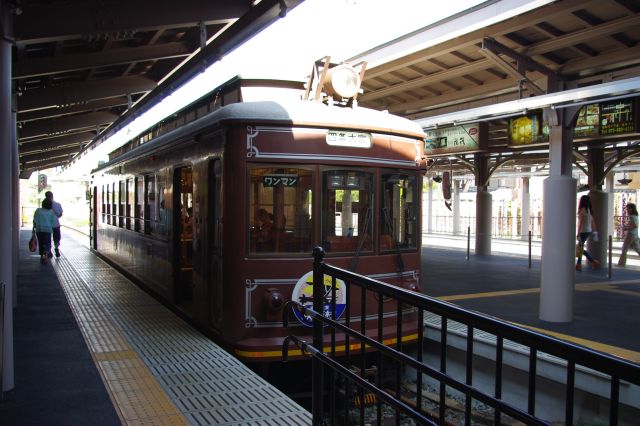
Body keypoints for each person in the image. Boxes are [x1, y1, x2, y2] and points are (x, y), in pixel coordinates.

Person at [575, 194, 600, 271]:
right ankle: (579, 264)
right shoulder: (589, 210)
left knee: (580, 248)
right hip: (588, 230)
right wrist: (594, 230)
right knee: (580, 247)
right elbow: (592, 222)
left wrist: (578, 232)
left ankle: (593, 261)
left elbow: (581, 222)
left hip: (583, 231)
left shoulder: (582, 210)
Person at [33, 198, 57, 264]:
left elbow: (35, 220)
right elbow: (53, 222)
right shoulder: (51, 212)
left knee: (41, 243)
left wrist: (33, 229)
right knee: (47, 243)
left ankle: (42, 256)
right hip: (47, 230)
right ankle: (46, 255)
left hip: (39, 230)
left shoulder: (38, 211)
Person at [617, 202, 640, 267]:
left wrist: (626, 228)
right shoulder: (635, 216)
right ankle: (621, 263)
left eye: (628, 208)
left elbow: (635, 225)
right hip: (635, 234)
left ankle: (621, 263)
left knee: (624, 248)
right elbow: (633, 225)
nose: (627, 210)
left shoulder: (632, 216)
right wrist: (626, 226)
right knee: (637, 248)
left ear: (631, 209)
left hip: (631, 234)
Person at [45, 191, 63, 257]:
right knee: (57, 237)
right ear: (52, 196)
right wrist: (56, 217)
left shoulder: (44, 204)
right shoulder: (58, 204)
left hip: (46, 224)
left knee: (47, 238)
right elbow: (60, 214)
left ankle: (49, 251)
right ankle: (56, 248)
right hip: (56, 224)